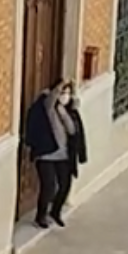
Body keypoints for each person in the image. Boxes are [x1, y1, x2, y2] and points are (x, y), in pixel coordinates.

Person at [23, 78, 88, 230]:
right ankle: (41, 216)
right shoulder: (48, 107)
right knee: (49, 186)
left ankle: (55, 212)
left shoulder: (70, 112)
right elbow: (51, 99)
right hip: (46, 155)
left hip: (64, 156)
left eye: (68, 93)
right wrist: (59, 86)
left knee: (65, 185)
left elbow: (74, 131)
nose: (65, 96)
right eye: (62, 93)